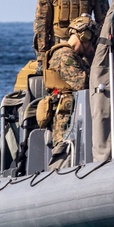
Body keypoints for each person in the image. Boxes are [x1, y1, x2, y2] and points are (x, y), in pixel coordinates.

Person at [44, 14, 97, 167]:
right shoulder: (64, 55)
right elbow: (81, 84)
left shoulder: (74, 57)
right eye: (91, 43)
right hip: (66, 124)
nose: (91, 48)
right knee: (64, 160)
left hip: (74, 120)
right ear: (85, 36)